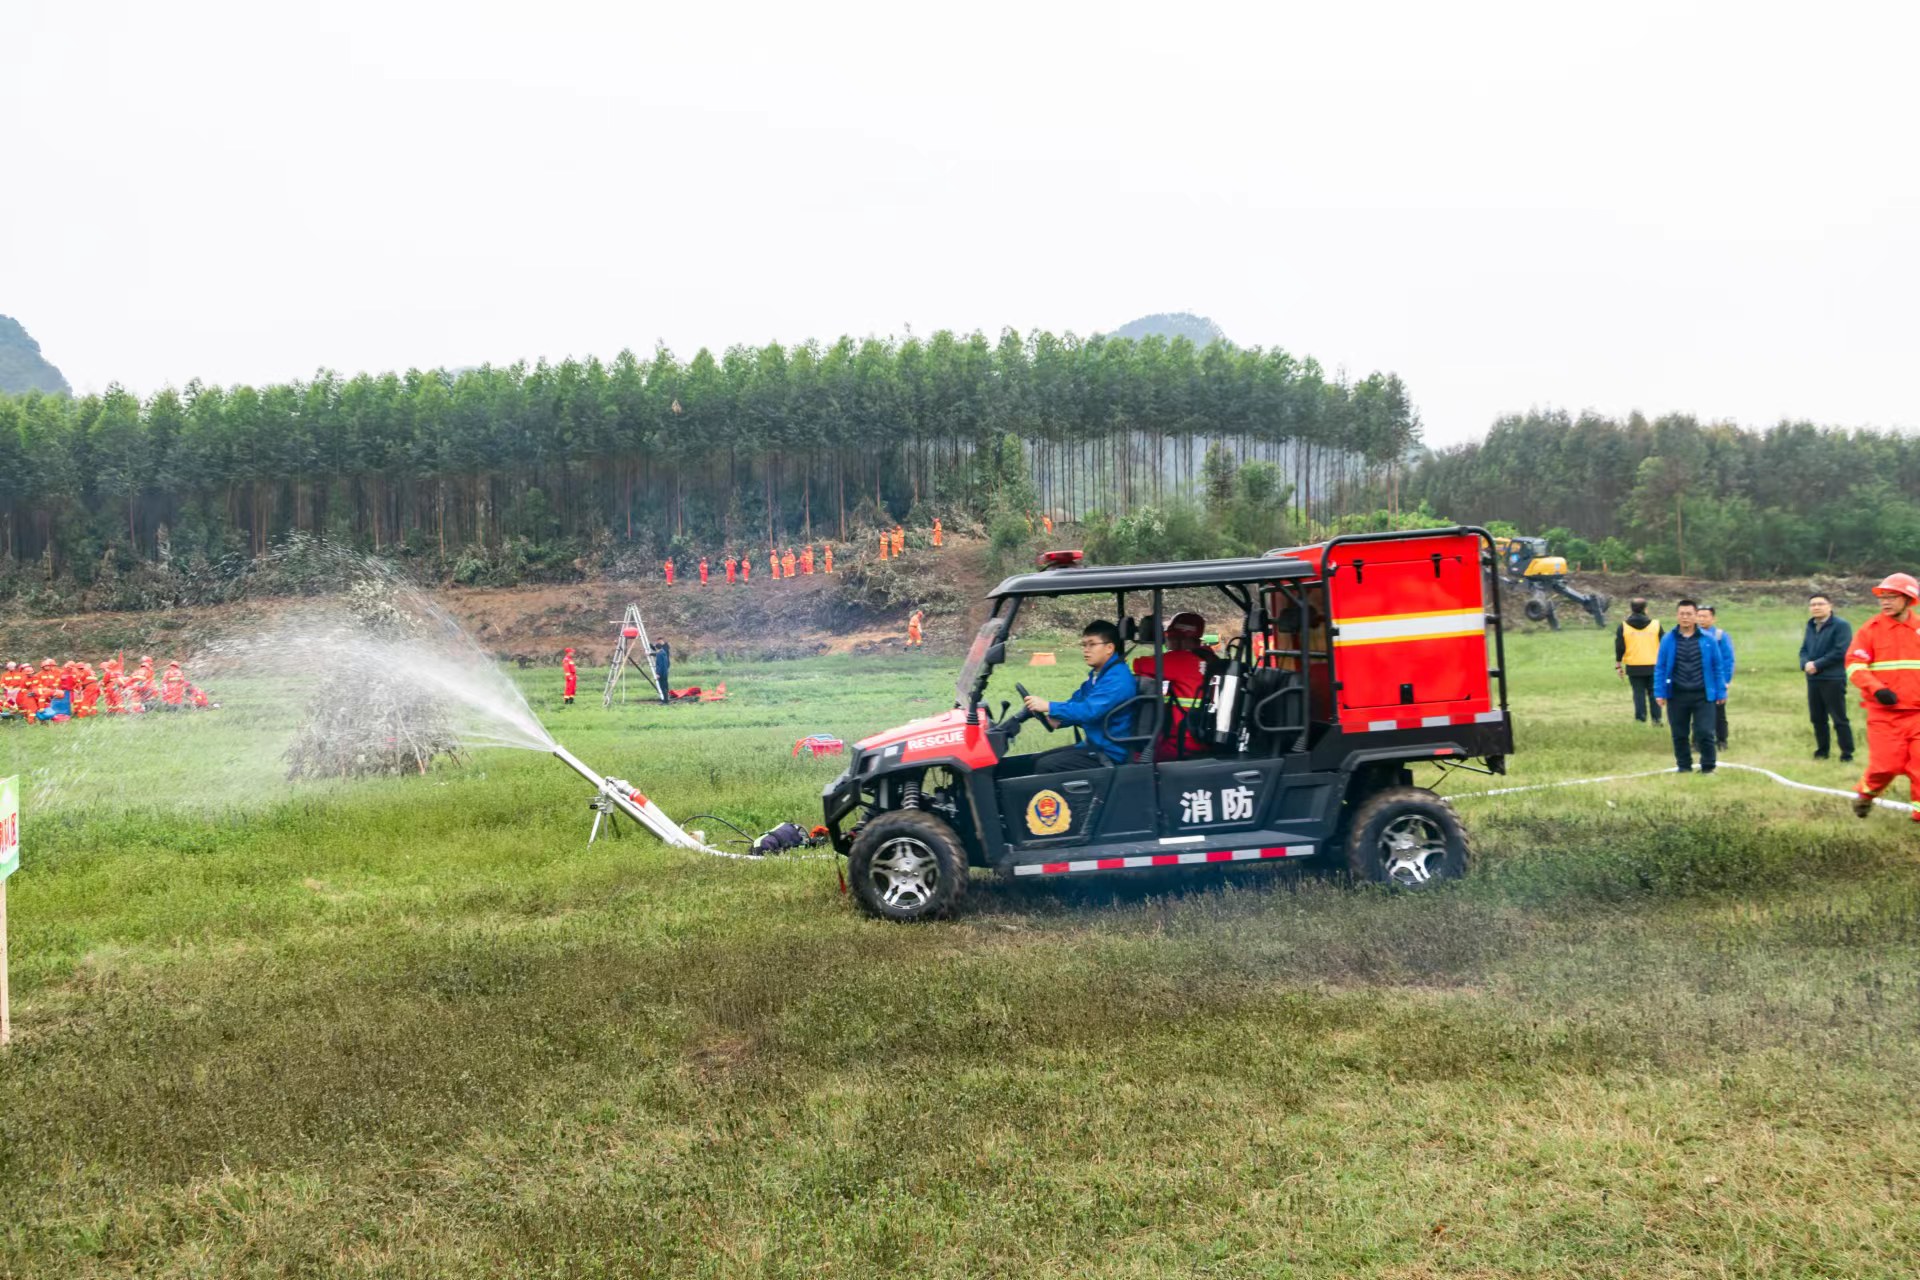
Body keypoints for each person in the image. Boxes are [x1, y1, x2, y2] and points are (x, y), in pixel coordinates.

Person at [1848, 573, 1920, 821]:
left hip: (1917, 713)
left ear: (1908, 599)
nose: (1885, 602)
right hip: (1884, 714)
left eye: (1892, 597)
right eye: (1883, 598)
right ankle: (1866, 794)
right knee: (1885, 766)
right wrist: (1877, 689)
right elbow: (1855, 665)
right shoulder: (1870, 630)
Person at [1020, 621, 1136, 772]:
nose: (1086, 650)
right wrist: (1057, 720)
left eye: (1092, 644)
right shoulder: (1099, 675)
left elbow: (1089, 711)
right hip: (1094, 744)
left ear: (1109, 648)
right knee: (1034, 760)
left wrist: (1049, 706)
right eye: (1084, 645)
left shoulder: (1117, 679)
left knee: (1045, 766)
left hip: (1110, 751)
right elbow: (1078, 701)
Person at [1653, 599, 1727, 774]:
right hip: (1677, 695)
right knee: (1679, 734)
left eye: (1689, 614)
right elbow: (1661, 667)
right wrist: (1659, 692)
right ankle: (1684, 766)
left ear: (1695, 617)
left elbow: (1717, 666)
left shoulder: (1708, 639)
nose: (1685, 617)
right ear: (1677, 616)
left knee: (1705, 733)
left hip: (1703, 694)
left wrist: (1720, 691)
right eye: (1682, 614)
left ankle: (1708, 767)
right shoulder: (1668, 639)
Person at [1132, 613, 1208, 759]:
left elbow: (1140, 665)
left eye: (1171, 636)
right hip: (1199, 737)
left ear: (1180, 638)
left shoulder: (1181, 659)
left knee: (1133, 757)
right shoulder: (1208, 657)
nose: (1169, 640)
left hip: (1179, 742)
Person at [1800, 592, 1854, 761]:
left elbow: (1840, 651)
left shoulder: (1841, 626)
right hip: (1813, 679)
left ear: (1830, 606)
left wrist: (1817, 664)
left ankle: (1847, 753)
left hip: (1833, 678)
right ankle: (1822, 751)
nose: (1816, 607)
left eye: (1820, 604)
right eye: (1813, 604)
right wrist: (1805, 664)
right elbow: (1804, 649)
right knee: (1817, 717)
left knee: (1839, 717)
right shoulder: (1810, 626)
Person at [1613, 597, 1664, 726]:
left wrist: (1618, 663)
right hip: (1654, 665)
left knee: (1638, 693)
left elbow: (1620, 646)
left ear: (1631, 609)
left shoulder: (1624, 626)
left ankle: (1640, 719)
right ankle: (1657, 720)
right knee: (1654, 694)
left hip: (1634, 666)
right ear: (1646, 609)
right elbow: (1664, 645)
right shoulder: (1656, 625)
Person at [1696, 604, 1734, 748]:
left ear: (1713, 618)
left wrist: (1725, 681)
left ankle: (1722, 740)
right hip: (1697, 680)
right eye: (1699, 616)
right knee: (1697, 712)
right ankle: (1697, 741)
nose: (1701, 619)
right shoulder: (1692, 634)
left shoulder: (1719, 636)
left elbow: (1728, 659)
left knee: (1718, 712)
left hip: (1715, 681)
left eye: (1705, 616)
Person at [652, 638, 672, 705]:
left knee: (662, 687)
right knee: (665, 686)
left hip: (661, 673)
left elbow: (660, 665)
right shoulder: (664, 652)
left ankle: (665, 701)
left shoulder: (659, 654)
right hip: (665, 672)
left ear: (657, 648)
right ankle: (666, 700)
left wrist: (658, 674)